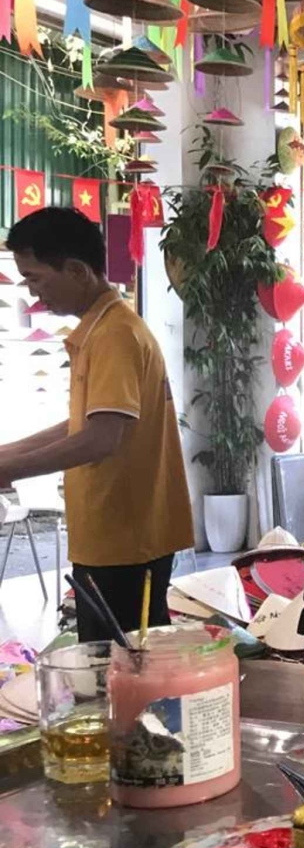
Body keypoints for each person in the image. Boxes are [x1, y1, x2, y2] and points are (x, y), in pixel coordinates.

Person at [0, 208, 193, 641]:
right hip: (114, 536)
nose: (33, 293)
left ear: (77, 270)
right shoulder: (101, 330)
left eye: (35, 278)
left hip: (125, 540)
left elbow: (101, 439)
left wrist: (10, 469)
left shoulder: (114, 335)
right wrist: (7, 455)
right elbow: (82, 424)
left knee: (119, 666)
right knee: (116, 662)